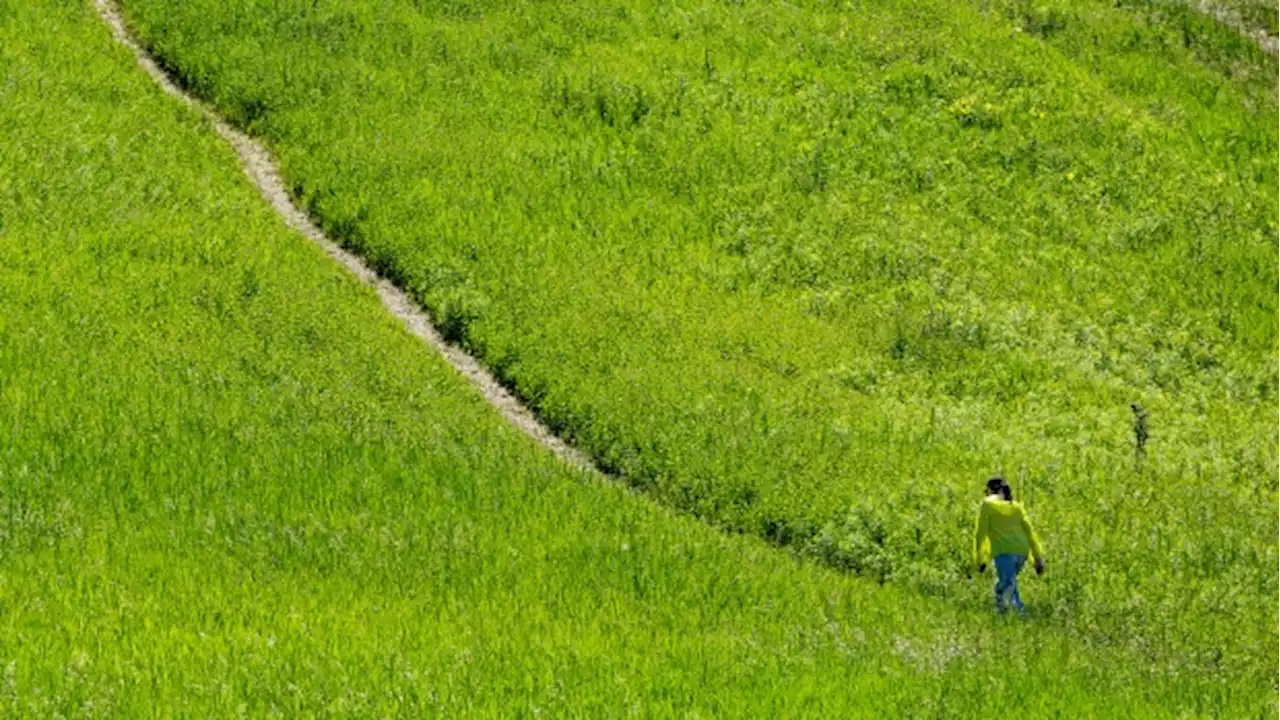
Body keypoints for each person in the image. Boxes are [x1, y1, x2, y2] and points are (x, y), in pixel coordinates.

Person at [974, 476, 1045, 614]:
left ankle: (1020, 616)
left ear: (990, 490)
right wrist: (1037, 558)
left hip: (1003, 552)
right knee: (1003, 586)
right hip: (1021, 553)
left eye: (986, 491)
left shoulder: (988, 505)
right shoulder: (1016, 507)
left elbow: (981, 534)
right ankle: (1002, 615)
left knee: (1008, 587)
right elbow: (1030, 533)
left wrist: (980, 559)